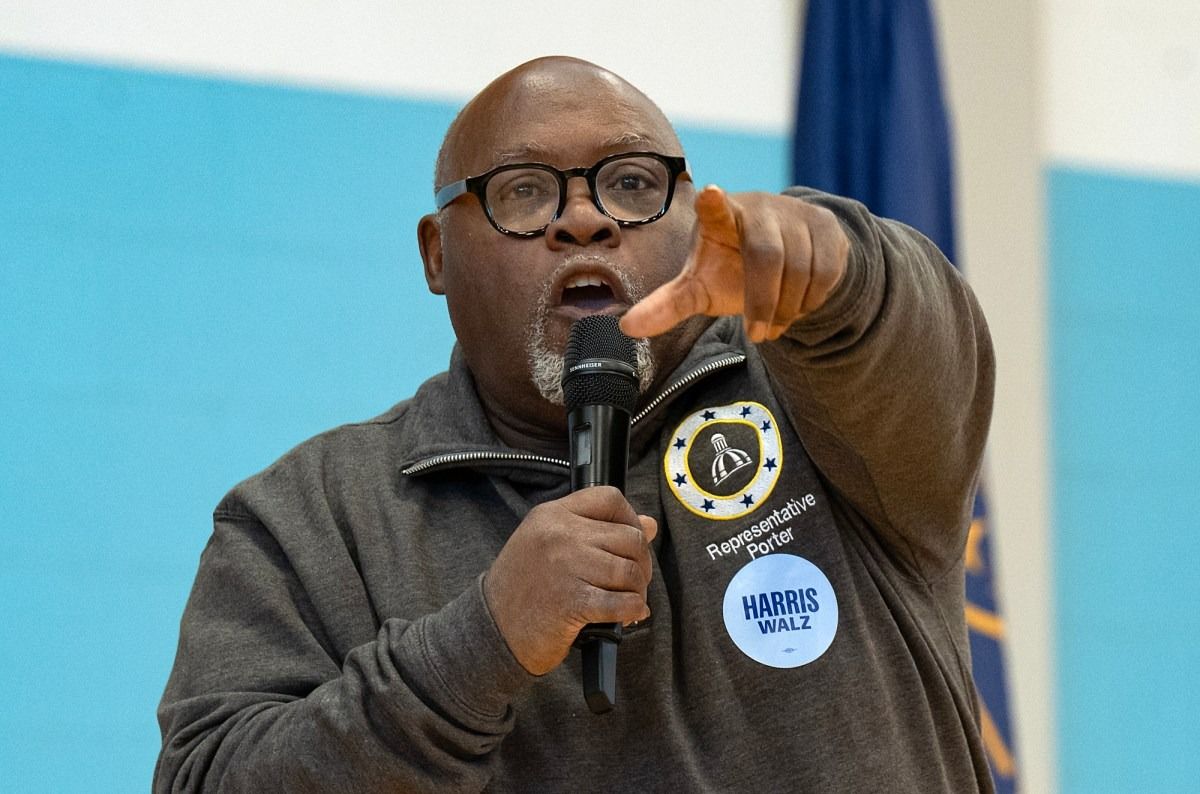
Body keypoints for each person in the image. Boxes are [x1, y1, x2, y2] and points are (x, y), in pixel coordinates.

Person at [155, 56, 996, 792]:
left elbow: (920, 343)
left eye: (632, 183)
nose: (585, 219)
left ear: (690, 212)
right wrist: (481, 643)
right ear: (437, 254)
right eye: (524, 192)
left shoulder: (819, 396)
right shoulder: (308, 520)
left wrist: (847, 267)